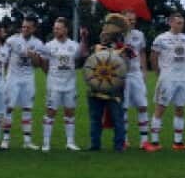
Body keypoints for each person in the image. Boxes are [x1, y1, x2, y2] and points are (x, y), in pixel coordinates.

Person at [39, 17, 86, 151]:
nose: (55, 30)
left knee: (70, 112)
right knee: (50, 112)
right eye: (55, 28)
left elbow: (81, 55)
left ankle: (70, 142)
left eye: (58, 28)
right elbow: (44, 64)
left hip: (70, 84)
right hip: (54, 84)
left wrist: (83, 38)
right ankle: (46, 143)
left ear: (66, 29)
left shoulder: (74, 44)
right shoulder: (49, 46)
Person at [85, 14, 130, 152]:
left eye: (106, 33)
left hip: (114, 90)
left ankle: (119, 146)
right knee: (95, 119)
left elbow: (125, 68)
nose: (103, 35)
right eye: (102, 34)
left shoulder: (123, 49)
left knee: (118, 119)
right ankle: (95, 145)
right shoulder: (95, 48)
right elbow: (88, 65)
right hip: (95, 89)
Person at [149, 12, 185, 151]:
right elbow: (153, 56)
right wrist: (158, 72)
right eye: (178, 23)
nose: (181, 25)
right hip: (167, 77)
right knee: (161, 107)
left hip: (183, 78)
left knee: (180, 108)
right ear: (171, 23)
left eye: (183, 23)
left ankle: (178, 142)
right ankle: (154, 142)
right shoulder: (161, 38)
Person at [3, 17, 43, 149]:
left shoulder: (38, 43)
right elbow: (4, 59)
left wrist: (34, 57)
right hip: (12, 77)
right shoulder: (12, 40)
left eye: (28, 27)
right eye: (23, 26)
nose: (25, 29)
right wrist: (5, 75)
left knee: (28, 108)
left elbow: (38, 65)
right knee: (9, 108)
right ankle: (5, 139)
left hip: (28, 79)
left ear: (34, 29)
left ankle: (27, 141)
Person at [121, 9, 151, 148]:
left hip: (136, 73)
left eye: (133, 20)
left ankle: (144, 141)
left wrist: (144, 70)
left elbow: (143, 53)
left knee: (143, 106)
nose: (131, 22)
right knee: (124, 108)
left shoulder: (139, 35)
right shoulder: (117, 35)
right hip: (122, 74)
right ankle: (125, 140)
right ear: (123, 19)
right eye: (129, 19)